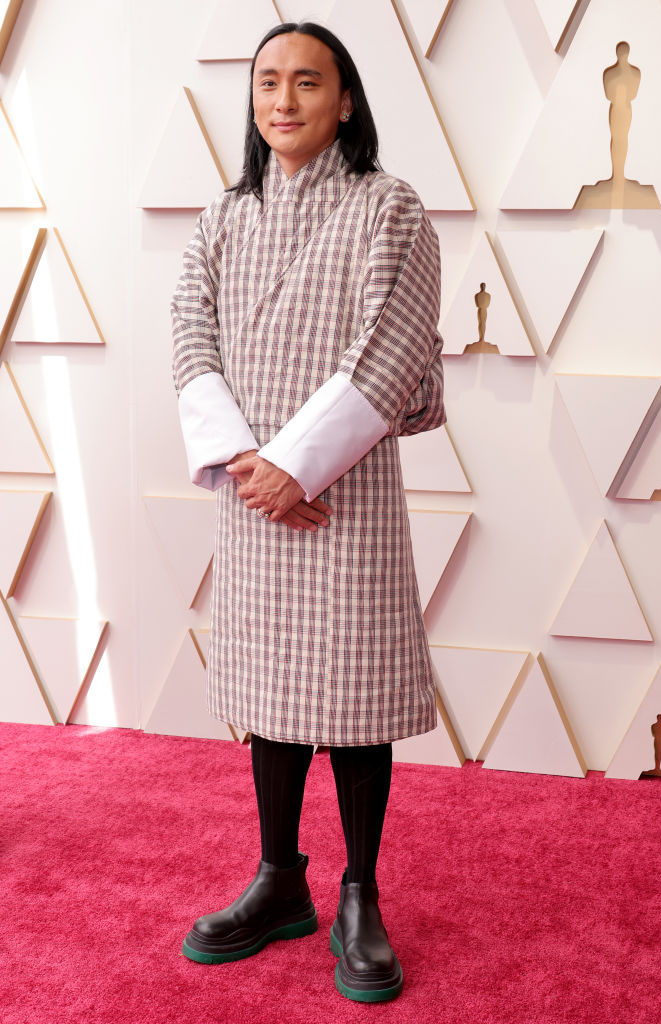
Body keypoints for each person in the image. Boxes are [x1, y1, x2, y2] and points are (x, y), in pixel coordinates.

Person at [171, 21, 445, 1003]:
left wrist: (297, 465)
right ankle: (278, 875)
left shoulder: (388, 210)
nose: (282, 100)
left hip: (346, 490)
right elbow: (188, 336)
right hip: (252, 493)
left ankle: (361, 890)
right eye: (267, 83)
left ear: (345, 100)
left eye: (306, 82)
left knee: (351, 691)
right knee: (272, 689)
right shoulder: (222, 219)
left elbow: (393, 344)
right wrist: (249, 464)